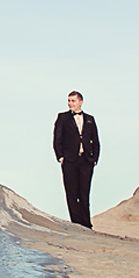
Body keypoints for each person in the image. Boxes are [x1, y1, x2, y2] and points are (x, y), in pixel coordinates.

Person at [52, 91, 99, 228]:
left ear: (80, 102)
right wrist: (60, 156)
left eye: (73, 101)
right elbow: (57, 138)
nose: (70, 103)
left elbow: (95, 140)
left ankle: (86, 224)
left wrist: (94, 158)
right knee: (72, 192)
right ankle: (76, 223)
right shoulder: (62, 117)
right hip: (69, 160)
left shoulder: (90, 119)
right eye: (69, 101)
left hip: (86, 160)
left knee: (84, 193)